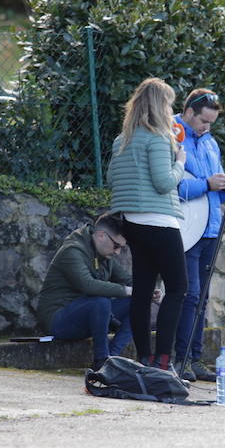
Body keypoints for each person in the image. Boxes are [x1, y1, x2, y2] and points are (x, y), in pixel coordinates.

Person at [107, 78, 188, 372]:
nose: (171, 109)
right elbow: (164, 181)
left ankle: (144, 357)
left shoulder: (122, 140)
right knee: (178, 289)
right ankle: (163, 359)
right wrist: (180, 161)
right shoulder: (158, 138)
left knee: (142, 291)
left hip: (131, 222)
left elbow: (112, 180)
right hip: (159, 221)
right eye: (168, 103)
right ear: (159, 106)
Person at [173, 89, 225, 382]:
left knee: (202, 297)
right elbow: (173, 186)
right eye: (203, 122)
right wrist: (208, 184)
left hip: (210, 229)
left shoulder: (210, 142)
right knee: (189, 295)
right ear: (188, 112)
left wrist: (224, 187)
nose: (206, 128)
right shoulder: (172, 135)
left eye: (211, 123)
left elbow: (214, 189)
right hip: (186, 228)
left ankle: (195, 360)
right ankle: (179, 360)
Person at [37, 213, 142, 370]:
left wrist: (147, 291)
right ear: (101, 236)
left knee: (138, 302)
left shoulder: (104, 255)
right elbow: (88, 285)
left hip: (91, 315)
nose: (118, 252)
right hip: (59, 320)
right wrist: (128, 290)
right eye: (116, 246)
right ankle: (101, 361)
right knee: (100, 301)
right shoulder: (72, 250)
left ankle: (113, 357)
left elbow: (128, 281)